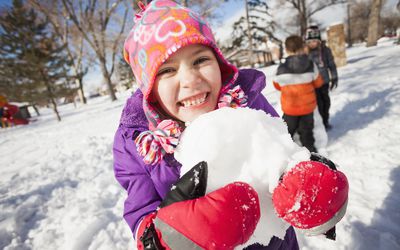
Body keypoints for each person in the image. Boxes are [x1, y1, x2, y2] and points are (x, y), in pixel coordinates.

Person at [113, 1, 349, 249]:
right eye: (167, 70)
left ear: (219, 63)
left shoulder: (246, 103)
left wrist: (315, 193)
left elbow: (284, 156)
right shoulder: (136, 141)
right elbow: (141, 209)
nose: (191, 80)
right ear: (148, 87)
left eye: (200, 60)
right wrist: (166, 239)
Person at [273, 35, 323, 153]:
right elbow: (318, 82)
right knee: (307, 133)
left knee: (287, 132)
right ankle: (310, 153)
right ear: (302, 47)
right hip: (307, 108)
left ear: (286, 50)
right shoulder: (311, 65)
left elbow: (277, 85)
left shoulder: (281, 68)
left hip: (290, 108)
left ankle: (286, 152)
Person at [305, 25, 338, 130]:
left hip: (324, 82)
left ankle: (325, 121)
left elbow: (331, 64)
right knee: (318, 104)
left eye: (314, 41)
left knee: (326, 102)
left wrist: (334, 77)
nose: (312, 44)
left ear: (319, 41)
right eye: (309, 42)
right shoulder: (305, 53)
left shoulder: (325, 50)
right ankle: (320, 124)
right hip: (312, 84)